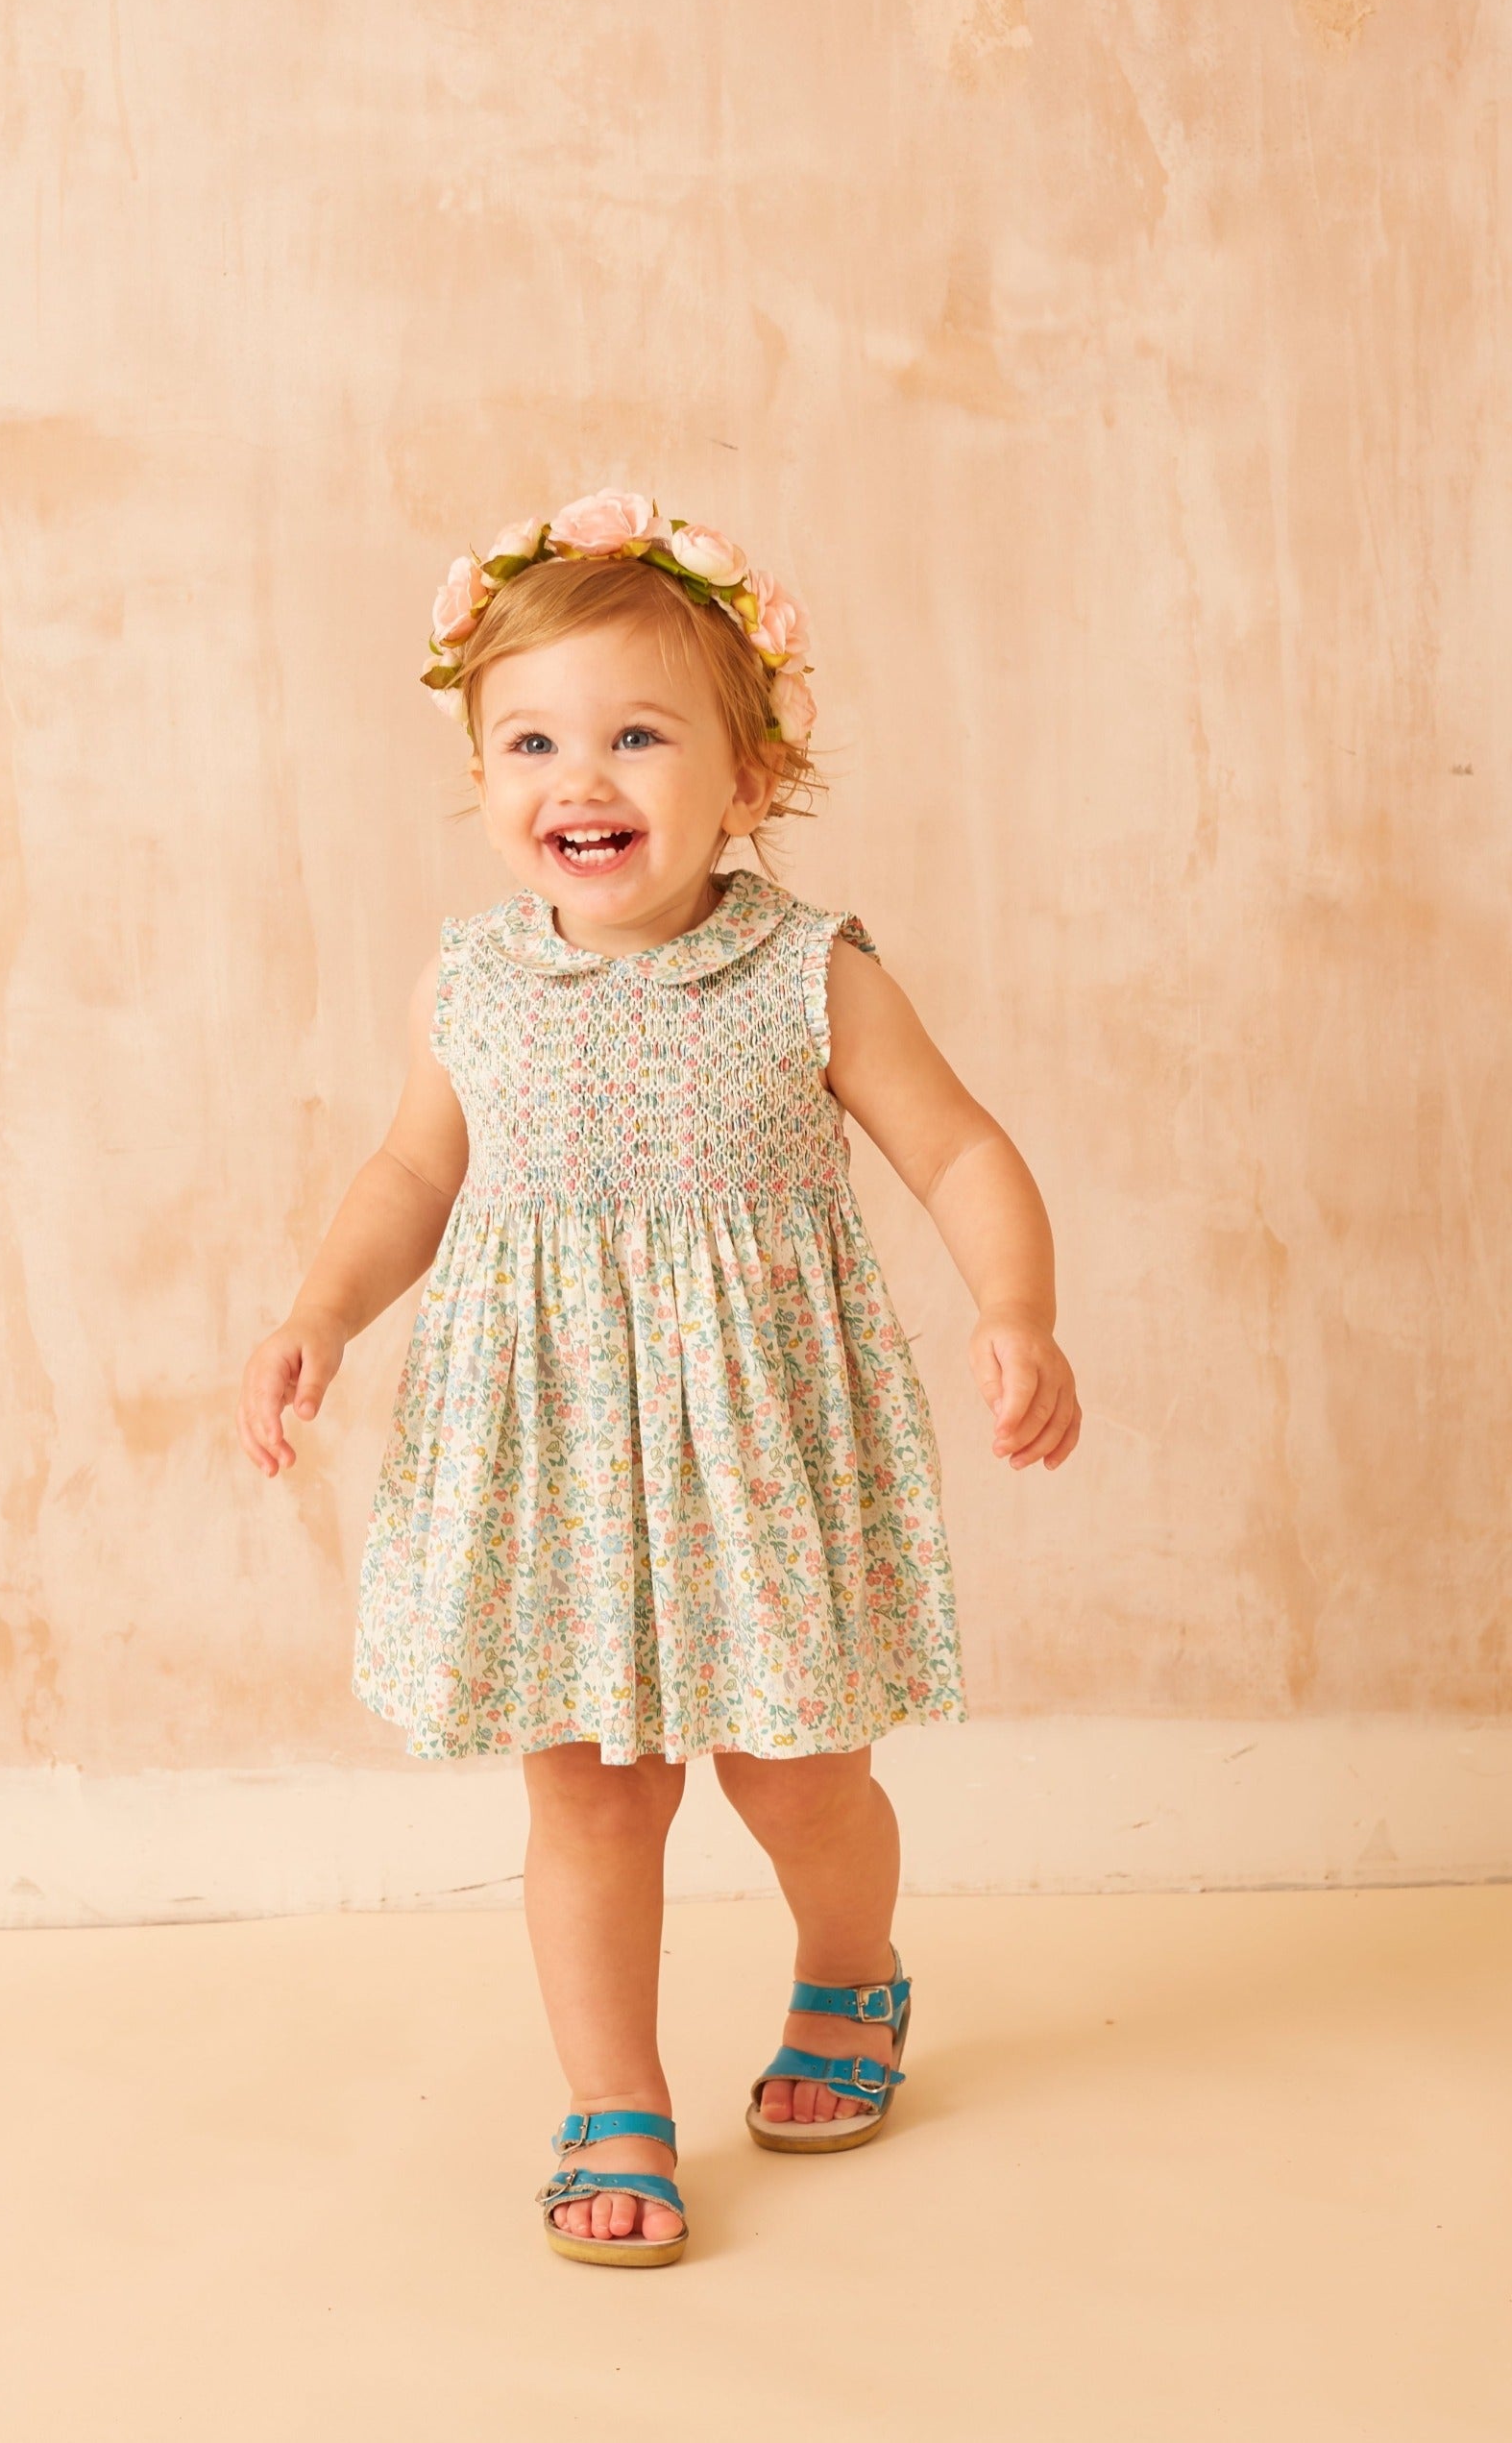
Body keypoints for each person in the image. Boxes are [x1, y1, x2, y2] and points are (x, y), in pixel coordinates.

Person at [237, 487, 1081, 2268]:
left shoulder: (805, 970)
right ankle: (614, 2092)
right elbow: (411, 1178)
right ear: (482, 780)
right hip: (549, 1459)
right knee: (587, 1789)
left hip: (755, 1454)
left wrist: (1018, 1307)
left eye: (638, 735)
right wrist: (323, 1309)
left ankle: (851, 1964)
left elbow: (960, 1151)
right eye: (532, 740)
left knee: (796, 1775)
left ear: (747, 778)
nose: (581, 778)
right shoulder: (468, 983)